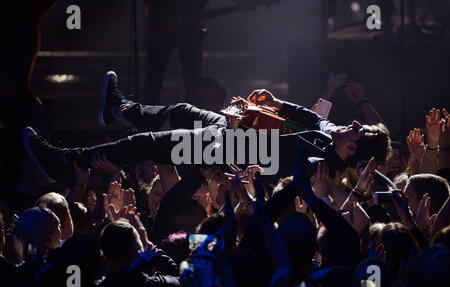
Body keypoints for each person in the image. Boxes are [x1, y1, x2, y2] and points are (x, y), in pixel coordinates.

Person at [22, 71, 393, 190]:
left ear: (351, 153)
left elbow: (278, 158)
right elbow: (307, 117)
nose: (355, 125)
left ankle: (64, 163)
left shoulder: (320, 161)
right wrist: (273, 104)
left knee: (147, 144)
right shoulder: (330, 131)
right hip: (239, 134)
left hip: (231, 150)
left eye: (360, 133)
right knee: (182, 111)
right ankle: (120, 109)